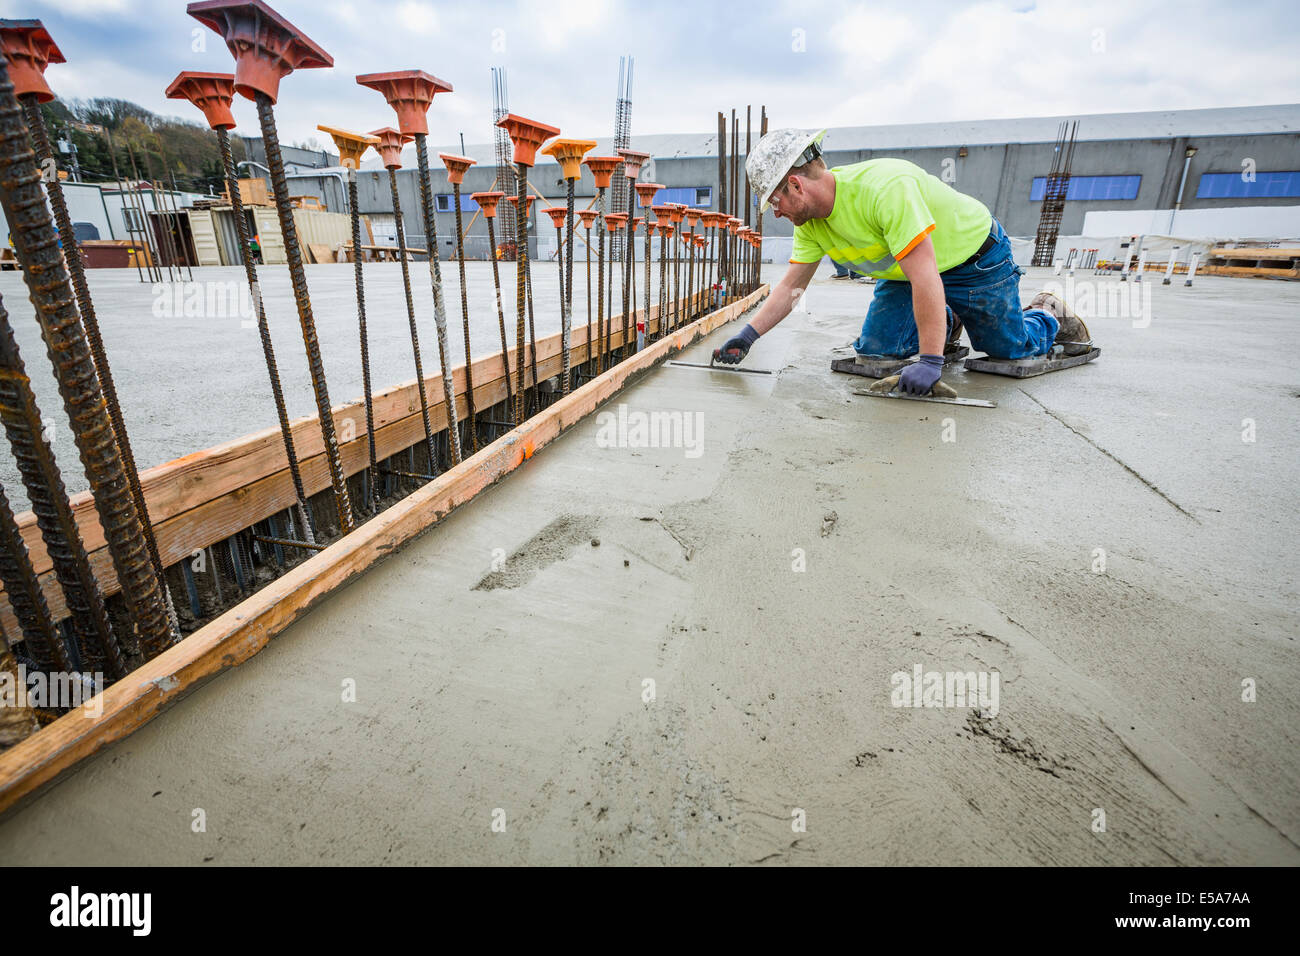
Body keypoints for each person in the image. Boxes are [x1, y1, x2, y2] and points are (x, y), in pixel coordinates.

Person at [713, 129, 1092, 394]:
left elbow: (926, 275)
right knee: (876, 351)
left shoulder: (883, 190)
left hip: (974, 259)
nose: (776, 213)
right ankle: (946, 321)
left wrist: (930, 360)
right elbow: (791, 288)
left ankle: (1049, 314)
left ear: (795, 185)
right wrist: (747, 337)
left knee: (1008, 350)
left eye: (775, 202)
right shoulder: (809, 222)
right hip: (905, 275)